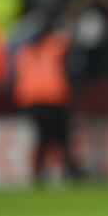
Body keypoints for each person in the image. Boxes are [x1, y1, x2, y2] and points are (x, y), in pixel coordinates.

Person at [13, 16, 83, 182]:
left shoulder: (24, 51)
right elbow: (71, 45)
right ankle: (67, 171)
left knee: (44, 137)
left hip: (33, 101)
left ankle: (40, 172)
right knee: (60, 137)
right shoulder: (55, 45)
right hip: (53, 99)